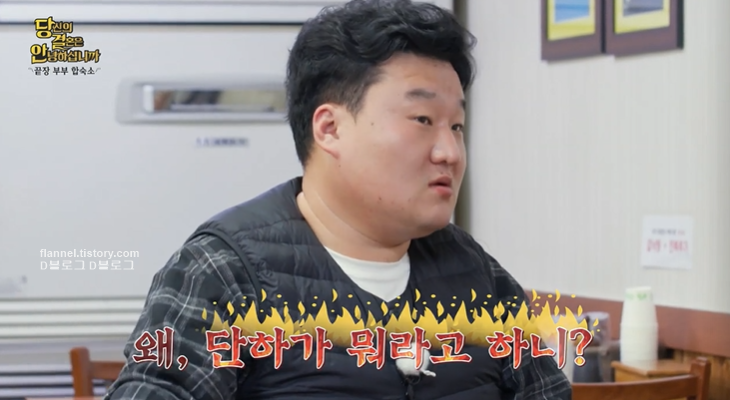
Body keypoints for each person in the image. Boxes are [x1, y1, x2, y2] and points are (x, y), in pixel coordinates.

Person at [105, 0, 572, 399]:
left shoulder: (477, 275)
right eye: (423, 120)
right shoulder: (223, 272)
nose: (449, 152)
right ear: (329, 128)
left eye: (457, 126)